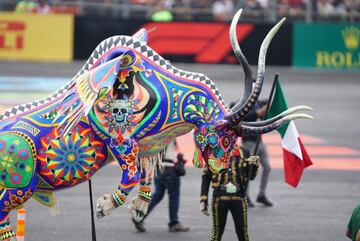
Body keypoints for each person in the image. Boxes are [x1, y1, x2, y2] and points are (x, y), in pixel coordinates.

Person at [200, 143, 259, 241]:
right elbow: (206, 176)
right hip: (220, 197)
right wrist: (203, 199)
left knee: (243, 234)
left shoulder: (245, 152)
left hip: (239, 197)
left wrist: (254, 166)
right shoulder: (213, 152)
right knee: (216, 234)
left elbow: (251, 177)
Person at [132, 140, 189, 232]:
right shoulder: (169, 133)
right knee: (174, 197)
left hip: (157, 169)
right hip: (169, 169)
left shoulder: (156, 135)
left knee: (158, 194)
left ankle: (139, 215)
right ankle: (174, 223)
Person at [235, 100, 273, 207]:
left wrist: (269, 106)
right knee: (248, 169)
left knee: (267, 167)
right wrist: (259, 112)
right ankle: (245, 194)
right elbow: (245, 118)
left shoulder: (259, 103)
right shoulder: (242, 104)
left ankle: (261, 194)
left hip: (259, 141)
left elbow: (267, 107)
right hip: (248, 143)